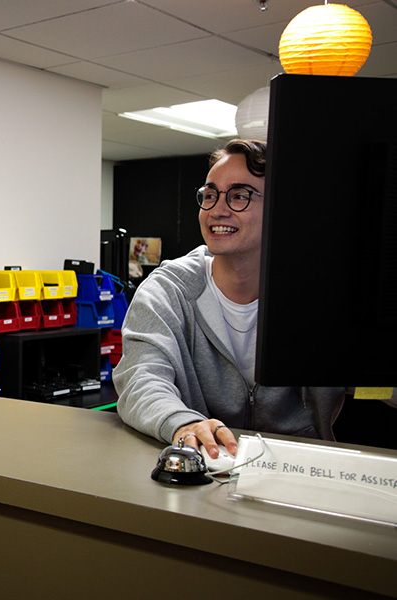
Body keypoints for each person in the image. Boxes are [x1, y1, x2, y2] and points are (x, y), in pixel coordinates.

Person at [113, 139, 346, 461]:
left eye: (239, 196)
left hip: (305, 469)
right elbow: (140, 378)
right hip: (205, 462)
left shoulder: (323, 293)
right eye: (209, 196)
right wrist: (183, 423)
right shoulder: (169, 290)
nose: (216, 210)